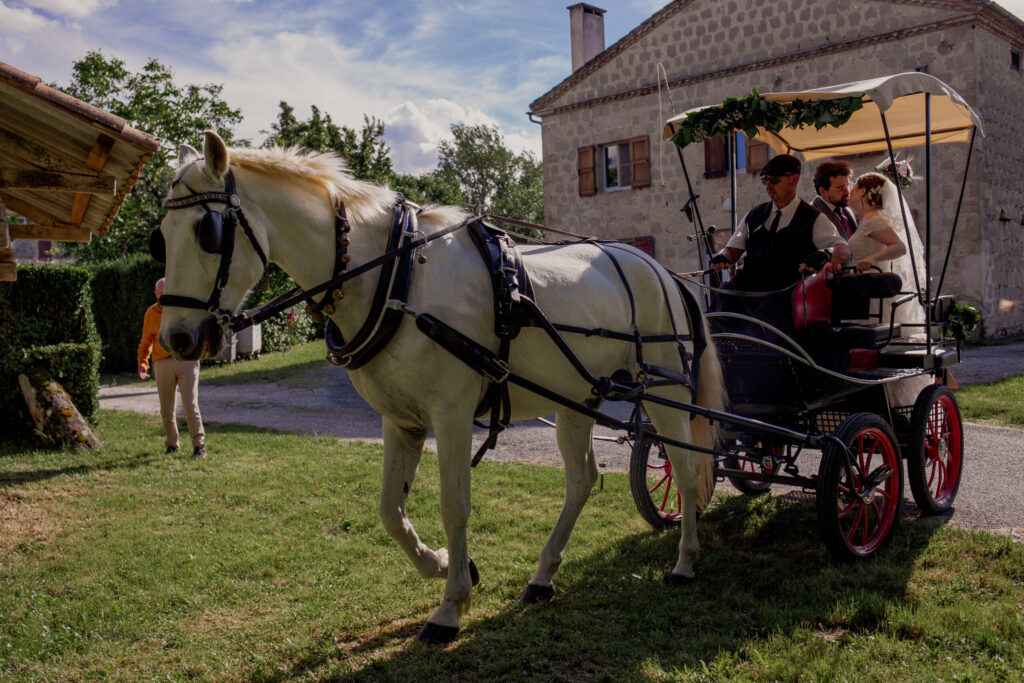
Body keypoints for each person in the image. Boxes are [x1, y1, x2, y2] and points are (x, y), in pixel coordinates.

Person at [709, 154, 850, 336]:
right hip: (746, 287)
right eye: (765, 181)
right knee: (722, 299)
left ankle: (754, 353)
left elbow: (843, 248)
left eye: (774, 181)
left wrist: (826, 254)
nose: (769, 187)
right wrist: (723, 256)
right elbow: (733, 249)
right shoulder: (755, 214)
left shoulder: (813, 217)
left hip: (782, 292)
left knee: (763, 318)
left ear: (794, 179)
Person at [138, 277, 207, 458]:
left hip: (186, 361)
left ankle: (199, 445)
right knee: (166, 408)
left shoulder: (183, 310)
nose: (163, 298)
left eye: (166, 294)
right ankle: (172, 444)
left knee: (190, 404)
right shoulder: (151, 314)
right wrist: (143, 364)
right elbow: (146, 342)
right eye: (160, 295)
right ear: (156, 294)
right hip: (162, 363)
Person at [811, 160, 857, 240]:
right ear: (823, 191)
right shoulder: (813, 216)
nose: (848, 192)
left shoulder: (848, 209)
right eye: (841, 188)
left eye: (848, 186)